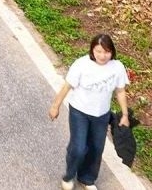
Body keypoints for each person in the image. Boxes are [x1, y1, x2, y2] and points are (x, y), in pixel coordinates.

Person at [49, 34, 131, 190]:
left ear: (112, 52)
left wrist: (125, 115)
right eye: (98, 51)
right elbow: (67, 86)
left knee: (96, 148)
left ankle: (87, 179)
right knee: (79, 147)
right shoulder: (81, 65)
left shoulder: (117, 67)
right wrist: (55, 106)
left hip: (101, 115)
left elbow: (120, 91)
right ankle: (69, 175)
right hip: (79, 112)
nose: (102, 56)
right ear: (92, 50)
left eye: (106, 52)